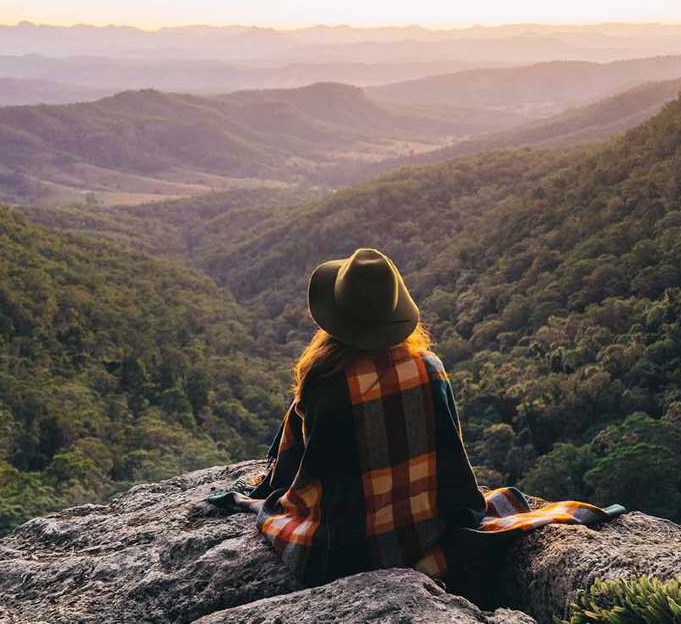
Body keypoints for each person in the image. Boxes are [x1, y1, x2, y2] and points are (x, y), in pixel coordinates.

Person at [210, 248, 623, 599]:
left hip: (341, 551)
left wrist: (266, 495)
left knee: (275, 508)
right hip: (424, 534)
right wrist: (461, 517)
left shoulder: (324, 382)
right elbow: (452, 464)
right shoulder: (430, 367)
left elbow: (297, 470)